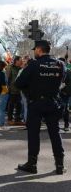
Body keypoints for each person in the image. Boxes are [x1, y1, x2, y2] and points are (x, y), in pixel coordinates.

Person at [15, 40, 66, 175]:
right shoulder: (60, 64)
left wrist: (30, 88)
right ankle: (60, 165)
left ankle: (32, 164)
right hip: (53, 102)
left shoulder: (34, 64)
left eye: (35, 50)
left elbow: (19, 83)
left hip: (36, 103)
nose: (34, 52)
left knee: (33, 134)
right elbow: (62, 81)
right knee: (55, 133)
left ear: (39, 49)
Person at [6, 56, 23, 125]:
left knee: (19, 105)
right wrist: (8, 89)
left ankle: (17, 119)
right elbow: (7, 79)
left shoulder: (21, 69)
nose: (21, 61)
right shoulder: (10, 68)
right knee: (11, 105)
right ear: (16, 61)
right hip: (12, 90)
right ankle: (10, 119)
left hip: (19, 90)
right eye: (20, 60)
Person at [59, 58, 71, 131]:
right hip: (57, 94)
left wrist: (65, 91)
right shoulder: (56, 71)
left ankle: (66, 124)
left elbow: (69, 84)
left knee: (65, 108)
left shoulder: (68, 72)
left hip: (65, 94)